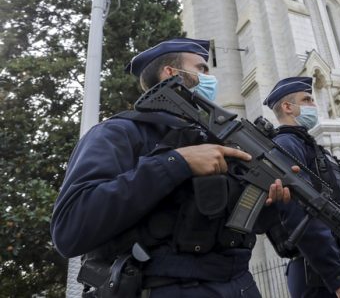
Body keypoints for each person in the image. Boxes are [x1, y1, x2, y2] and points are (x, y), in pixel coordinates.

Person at [51, 38, 296, 297]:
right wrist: (177, 162)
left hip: (240, 285)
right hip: (162, 287)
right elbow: (70, 228)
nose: (210, 77)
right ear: (172, 73)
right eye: (202, 69)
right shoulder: (118, 133)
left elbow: (234, 226)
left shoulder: (216, 142)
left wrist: (270, 200)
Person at [263, 76, 340, 298]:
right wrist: (337, 277)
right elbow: (301, 215)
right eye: (308, 99)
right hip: (319, 272)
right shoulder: (286, 145)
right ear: (288, 107)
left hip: (338, 260)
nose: (314, 104)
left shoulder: (305, 144)